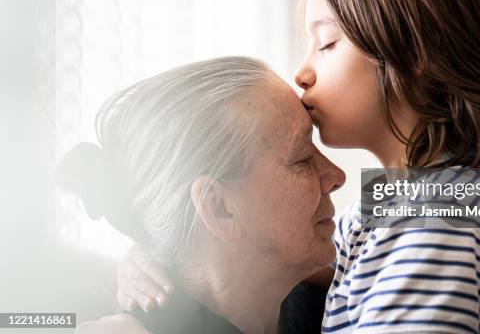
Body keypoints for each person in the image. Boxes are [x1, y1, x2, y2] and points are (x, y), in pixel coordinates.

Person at [119, 0, 480, 333]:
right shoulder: (403, 201)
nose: (302, 73)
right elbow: (290, 256)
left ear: (418, 51)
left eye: (326, 44)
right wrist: (155, 254)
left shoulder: (436, 220)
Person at [57, 57, 346, 334]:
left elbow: (383, 221)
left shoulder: (328, 290)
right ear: (219, 208)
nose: (337, 176)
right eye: (303, 158)